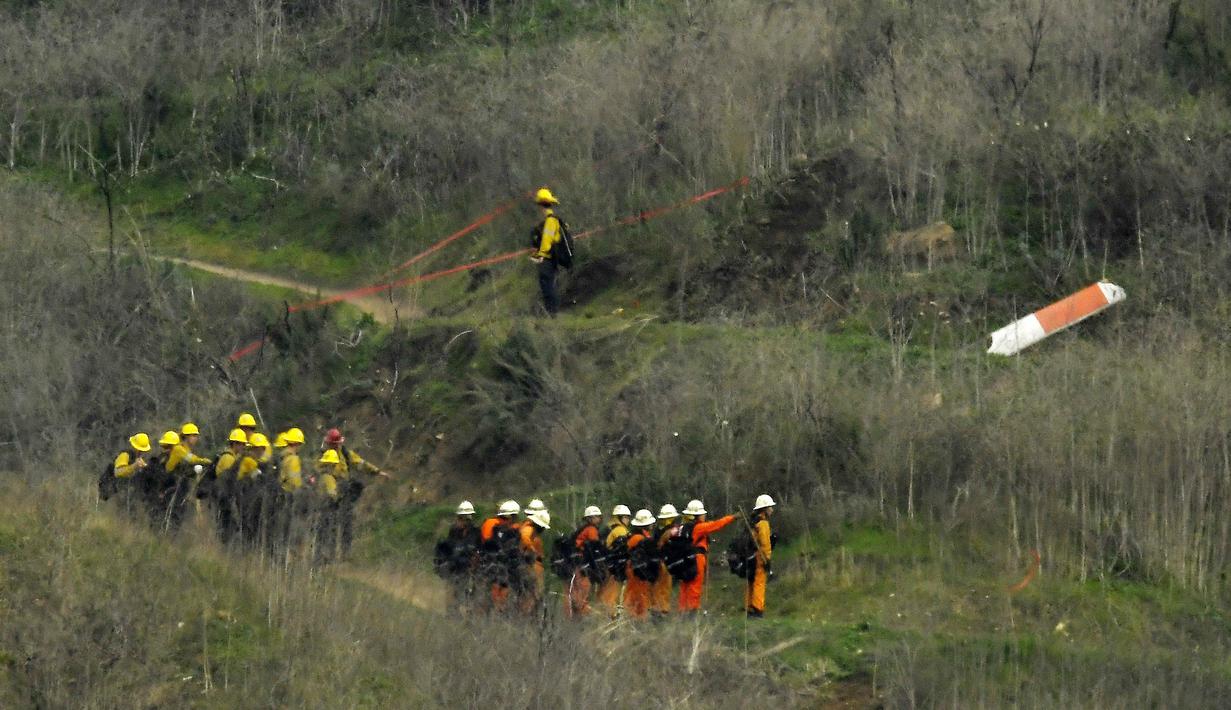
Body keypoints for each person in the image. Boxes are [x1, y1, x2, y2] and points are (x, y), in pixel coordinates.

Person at [322, 427, 391, 558]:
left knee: (346, 522)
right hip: (328, 494)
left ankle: (345, 554)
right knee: (329, 525)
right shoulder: (323, 456)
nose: (335, 446)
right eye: (333, 444)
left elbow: (360, 463)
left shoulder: (346, 453)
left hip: (344, 490)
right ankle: (328, 555)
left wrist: (377, 472)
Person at [676, 499, 737, 614]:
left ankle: (683, 612)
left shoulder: (682, 528)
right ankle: (692, 613)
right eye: (702, 514)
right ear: (696, 516)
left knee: (685, 585)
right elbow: (716, 525)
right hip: (696, 558)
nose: (704, 516)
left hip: (685, 559)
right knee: (695, 586)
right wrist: (732, 517)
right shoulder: (699, 527)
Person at [202, 428, 248, 544]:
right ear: (235, 444)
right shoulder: (228, 458)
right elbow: (229, 481)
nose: (243, 447)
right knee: (226, 527)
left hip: (223, 498)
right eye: (242, 444)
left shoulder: (230, 457)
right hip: (224, 499)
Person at [528, 187, 569, 316]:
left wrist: (540, 256)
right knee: (547, 284)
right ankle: (551, 311)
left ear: (541, 205)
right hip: (549, 257)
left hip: (548, 258)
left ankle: (552, 313)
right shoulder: (548, 220)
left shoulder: (550, 221)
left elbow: (547, 241)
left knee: (548, 285)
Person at [435, 501, 481, 615]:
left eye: (464, 518)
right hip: (455, 566)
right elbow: (449, 547)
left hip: (470, 566)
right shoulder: (454, 530)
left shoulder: (475, 531)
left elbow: (479, 548)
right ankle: (452, 612)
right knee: (452, 589)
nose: (461, 521)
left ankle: (469, 612)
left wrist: (475, 560)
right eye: (460, 518)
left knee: (469, 590)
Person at [479, 500, 522, 613]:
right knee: (503, 593)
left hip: (490, 566)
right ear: (512, 517)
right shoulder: (513, 531)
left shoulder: (493, 527)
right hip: (505, 569)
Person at [565, 505, 604, 618]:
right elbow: (594, 547)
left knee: (577, 592)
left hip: (577, 564)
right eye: (596, 517)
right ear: (590, 519)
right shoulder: (591, 530)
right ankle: (583, 616)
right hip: (582, 565)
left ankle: (577, 615)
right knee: (583, 591)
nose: (599, 519)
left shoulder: (582, 530)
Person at [622, 509, 658, 620]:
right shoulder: (639, 538)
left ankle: (635, 619)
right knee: (638, 598)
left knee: (637, 596)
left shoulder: (636, 536)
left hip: (635, 570)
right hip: (636, 572)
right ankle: (637, 620)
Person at [745, 494, 776, 618]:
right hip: (760, 557)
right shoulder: (763, 523)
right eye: (770, 507)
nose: (772, 510)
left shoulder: (753, 521)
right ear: (765, 509)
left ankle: (749, 608)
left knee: (751, 582)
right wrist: (767, 559)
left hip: (751, 556)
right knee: (759, 582)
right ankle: (757, 609)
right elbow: (765, 544)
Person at [598, 504, 632, 618]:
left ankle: (601, 615)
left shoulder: (607, 529)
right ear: (619, 518)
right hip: (614, 567)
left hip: (604, 565)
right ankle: (611, 616)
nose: (628, 520)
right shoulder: (620, 530)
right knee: (613, 594)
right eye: (626, 517)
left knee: (604, 593)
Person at [311, 448, 343, 564]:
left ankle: (318, 558)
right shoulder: (329, 478)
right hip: (328, 511)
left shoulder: (320, 476)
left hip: (320, 510)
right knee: (328, 535)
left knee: (320, 536)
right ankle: (326, 560)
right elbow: (332, 495)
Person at [110, 432, 151, 517]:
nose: (142, 452)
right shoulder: (125, 455)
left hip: (131, 493)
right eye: (140, 450)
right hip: (120, 491)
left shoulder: (138, 458)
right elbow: (118, 472)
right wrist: (134, 466)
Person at [519, 509, 550, 615]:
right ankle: (527, 615)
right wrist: (532, 550)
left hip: (533, 565)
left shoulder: (531, 531)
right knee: (533, 594)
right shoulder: (528, 529)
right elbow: (524, 538)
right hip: (531, 565)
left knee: (534, 595)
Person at [652, 503, 680, 619]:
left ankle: (658, 609)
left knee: (660, 588)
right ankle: (661, 610)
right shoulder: (671, 531)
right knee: (663, 588)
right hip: (664, 563)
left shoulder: (658, 531)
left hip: (661, 562)